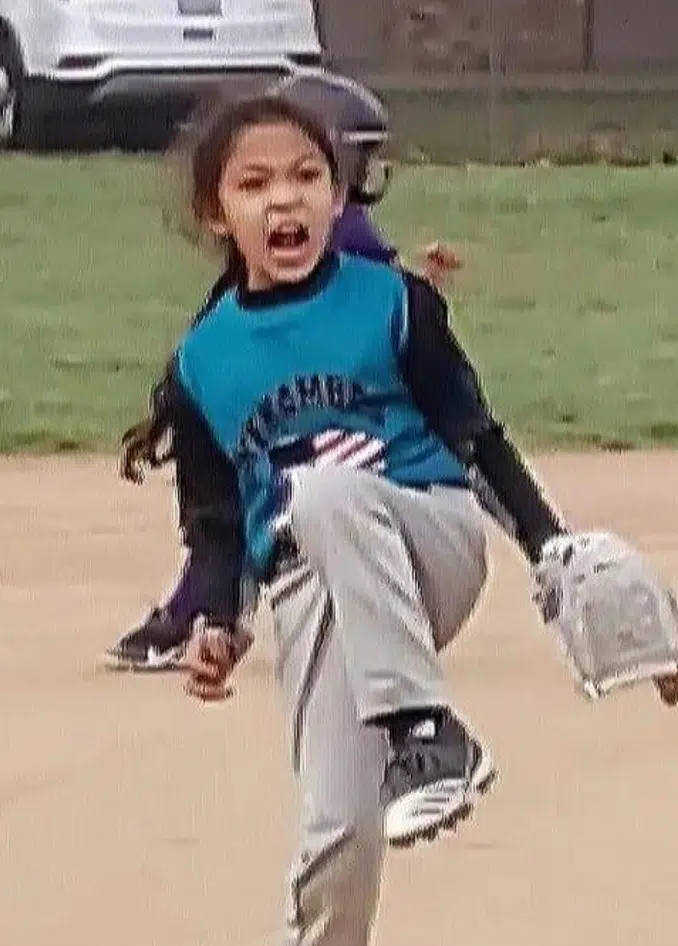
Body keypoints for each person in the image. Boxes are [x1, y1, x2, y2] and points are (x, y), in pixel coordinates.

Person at [166, 89, 569, 946]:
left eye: (303, 176)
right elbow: (217, 527)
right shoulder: (202, 363)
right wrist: (216, 621)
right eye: (253, 184)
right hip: (312, 593)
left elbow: (473, 435)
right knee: (339, 828)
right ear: (217, 214)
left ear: (337, 194)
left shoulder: (392, 303)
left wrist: (550, 546)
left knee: (333, 489)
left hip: (428, 541)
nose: (282, 198)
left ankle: (421, 732)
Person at [106, 71, 463, 671]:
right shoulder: (328, 221)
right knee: (257, 499)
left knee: (258, 500)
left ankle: (195, 616)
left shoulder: (324, 223)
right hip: (315, 429)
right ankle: (204, 614)